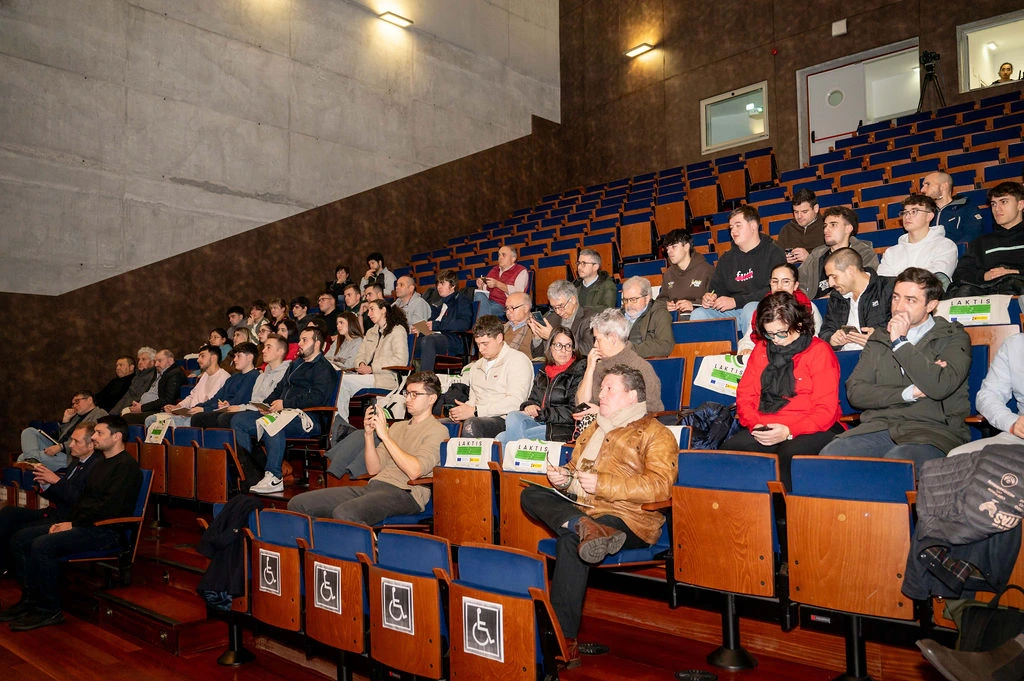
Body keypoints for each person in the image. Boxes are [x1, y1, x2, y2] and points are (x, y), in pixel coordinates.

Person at [519, 365, 677, 666]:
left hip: (628, 518)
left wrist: (603, 484)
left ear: (632, 396)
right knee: (530, 494)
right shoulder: (594, 427)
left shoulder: (657, 433)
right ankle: (584, 526)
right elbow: (577, 470)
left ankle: (562, 639)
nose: (600, 394)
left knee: (571, 541)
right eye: (601, 388)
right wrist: (564, 478)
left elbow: (661, 487)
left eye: (608, 389)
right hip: (585, 509)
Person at [820, 268, 972, 470]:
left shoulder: (953, 337)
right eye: (895, 297)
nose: (899, 307)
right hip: (880, 426)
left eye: (910, 300)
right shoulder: (879, 339)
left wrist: (900, 342)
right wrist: (909, 393)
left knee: (898, 463)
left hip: (933, 430)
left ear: (931, 305)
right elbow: (856, 393)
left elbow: (939, 387)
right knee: (831, 455)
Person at [1, 415, 142, 631]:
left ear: (117, 437)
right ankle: (30, 601)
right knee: (22, 539)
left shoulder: (126, 467)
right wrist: (71, 521)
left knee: (42, 544)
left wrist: (72, 524)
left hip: (107, 531)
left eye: (100, 433)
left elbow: (108, 508)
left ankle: (49, 610)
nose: (94, 437)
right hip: (87, 524)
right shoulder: (102, 464)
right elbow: (84, 501)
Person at [288, 372, 448, 522]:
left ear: (432, 398)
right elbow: (373, 469)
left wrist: (385, 436)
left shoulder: (438, 430)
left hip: (407, 493)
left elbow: (415, 471)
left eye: (415, 394)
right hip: (375, 486)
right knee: (299, 504)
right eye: (407, 393)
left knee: (345, 512)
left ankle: (370, 543)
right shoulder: (398, 427)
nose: (408, 399)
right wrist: (369, 435)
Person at [722, 292, 844, 489]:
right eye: (769, 334)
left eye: (781, 333)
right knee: (732, 449)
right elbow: (745, 396)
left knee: (789, 455)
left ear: (799, 325)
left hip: (812, 426)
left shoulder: (819, 351)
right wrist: (756, 425)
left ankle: (784, 508)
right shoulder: (762, 349)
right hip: (766, 423)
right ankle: (747, 507)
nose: (775, 340)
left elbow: (825, 411)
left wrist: (789, 431)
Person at [232, 327, 337, 494]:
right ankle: (251, 474)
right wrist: (266, 405)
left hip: (309, 418)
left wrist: (285, 403)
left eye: (304, 340)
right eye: (300, 339)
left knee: (273, 423)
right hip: (283, 413)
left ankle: (274, 476)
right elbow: (279, 389)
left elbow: (317, 397)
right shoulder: (295, 364)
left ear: (317, 343)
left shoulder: (324, 368)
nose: (299, 343)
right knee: (239, 421)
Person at [0, 423, 99, 577]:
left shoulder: (97, 467)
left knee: (19, 534)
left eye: (76, 441)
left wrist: (56, 481)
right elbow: (61, 495)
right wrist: (46, 485)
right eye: (71, 440)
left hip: (69, 518)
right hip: (56, 511)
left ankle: (27, 581)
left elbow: (81, 501)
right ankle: (4, 566)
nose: (70, 445)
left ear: (91, 444)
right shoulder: (76, 462)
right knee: (8, 512)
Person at [691, 205, 786, 334]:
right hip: (733, 312)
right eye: (731, 227)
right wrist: (710, 298)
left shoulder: (774, 252)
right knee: (699, 314)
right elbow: (716, 290)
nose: (733, 231)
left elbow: (776, 290)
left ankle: (750, 346)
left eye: (738, 225)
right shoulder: (726, 259)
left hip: (765, 309)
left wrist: (736, 301)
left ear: (753, 226)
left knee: (750, 309)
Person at [447, 315, 534, 438]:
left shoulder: (518, 360)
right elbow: (473, 401)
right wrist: (460, 412)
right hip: (477, 417)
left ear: (499, 338)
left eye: (485, 343)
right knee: (441, 427)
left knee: (471, 425)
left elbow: (516, 402)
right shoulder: (476, 367)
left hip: (505, 419)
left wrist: (476, 411)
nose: (481, 349)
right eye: (478, 344)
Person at [498, 330, 588, 447]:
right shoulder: (544, 371)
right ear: (550, 347)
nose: (563, 350)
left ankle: (520, 457)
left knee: (502, 438)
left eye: (568, 346)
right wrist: (529, 406)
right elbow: (533, 399)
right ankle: (521, 456)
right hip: (540, 421)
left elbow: (574, 411)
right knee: (513, 416)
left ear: (573, 348)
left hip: (562, 428)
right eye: (558, 345)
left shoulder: (578, 371)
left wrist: (543, 413)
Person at [333, 300, 409, 427]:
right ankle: (339, 425)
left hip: (386, 377)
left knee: (342, 381)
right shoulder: (371, 332)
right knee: (338, 380)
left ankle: (341, 426)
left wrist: (372, 368)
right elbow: (360, 355)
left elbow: (401, 360)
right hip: (367, 376)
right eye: (368, 310)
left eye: (372, 309)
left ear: (383, 310)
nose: (369, 314)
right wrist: (361, 364)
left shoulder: (397, 330)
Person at [947, 333, 1023, 456]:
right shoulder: (1014, 345)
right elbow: (988, 395)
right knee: (957, 456)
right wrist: (1012, 423)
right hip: (1019, 438)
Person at [575, 308, 663, 413]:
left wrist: (601, 412)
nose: (595, 345)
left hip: (626, 424)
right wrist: (589, 369)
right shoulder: (597, 365)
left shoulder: (641, 368)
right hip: (594, 422)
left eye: (598, 340)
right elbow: (581, 404)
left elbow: (653, 410)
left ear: (613, 338)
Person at [948, 181, 1024, 298]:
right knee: (963, 291)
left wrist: (1015, 272)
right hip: (988, 292)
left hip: (1018, 289)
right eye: (993, 204)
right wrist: (984, 276)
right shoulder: (981, 242)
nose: (997, 209)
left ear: (1020, 205)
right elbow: (961, 273)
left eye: (1003, 202)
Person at [819, 247, 895, 351]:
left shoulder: (889, 289)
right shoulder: (836, 297)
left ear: (851, 271)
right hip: (844, 356)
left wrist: (879, 339)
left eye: (834, 277)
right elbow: (825, 331)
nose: (831, 283)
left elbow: (905, 329)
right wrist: (832, 339)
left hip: (878, 356)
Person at [737, 263, 822, 354]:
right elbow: (749, 339)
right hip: (766, 354)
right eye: (775, 282)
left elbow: (814, 340)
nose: (779, 287)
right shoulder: (762, 308)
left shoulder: (808, 307)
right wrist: (746, 349)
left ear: (795, 285)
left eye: (786, 282)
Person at [876, 194, 958, 285]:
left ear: (929, 216)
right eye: (905, 212)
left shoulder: (945, 246)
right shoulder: (891, 252)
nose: (907, 216)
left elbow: (935, 280)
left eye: (914, 211)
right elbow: (883, 283)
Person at [799, 205, 879, 297]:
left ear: (848, 228)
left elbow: (865, 285)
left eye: (833, 225)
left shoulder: (864, 253)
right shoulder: (817, 254)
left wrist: (833, 298)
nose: (826, 230)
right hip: (814, 304)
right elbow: (799, 281)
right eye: (825, 226)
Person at [144, 344, 230, 429]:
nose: (198, 360)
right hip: (189, 413)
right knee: (150, 420)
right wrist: (178, 407)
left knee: (165, 423)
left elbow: (214, 403)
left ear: (213, 358)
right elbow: (192, 396)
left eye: (202, 356)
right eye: (199, 356)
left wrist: (199, 409)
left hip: (201, 417)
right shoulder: (205, 375)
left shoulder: (224, 377)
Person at [19, 391, 107, 471]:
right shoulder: (77, 417)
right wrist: (66, 420)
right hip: (58, 447)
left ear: (89, 400)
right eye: (73, 404)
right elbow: (62, 436)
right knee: (29, 431)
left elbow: (88, 440)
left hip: (71, 455)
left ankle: (32, 460)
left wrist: (62, 447)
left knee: (22, 458)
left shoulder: (100, 415)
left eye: (77, 402)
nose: (74, 406)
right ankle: (32, 460)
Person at [189, 342, 261, 429]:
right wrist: (200, 406)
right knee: (197, 417)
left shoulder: (254, 376)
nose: (234, 359)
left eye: (238, 356)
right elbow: (217, 398)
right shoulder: (233, 377)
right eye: (234, 356)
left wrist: (206, 409)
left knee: (220, 418)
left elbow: (240, 400)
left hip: (240, 411)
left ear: (250, 357)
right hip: (225, 409)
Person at [416, 269, 473, 372]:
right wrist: (420, 330)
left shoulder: (461, 300)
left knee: (428, 340)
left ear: (453, 285)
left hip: (453, 339)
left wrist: (437, 325)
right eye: (438, 283)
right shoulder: (439, 304)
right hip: (436, 337)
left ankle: (425, 378)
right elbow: (431, 323)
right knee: (409, 340)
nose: (439, 287)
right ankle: (403, 376)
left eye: (442, 283)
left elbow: (464, 324)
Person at [529, 280, 598, 356]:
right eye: (554, 307)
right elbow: (538, 356)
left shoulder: (590, 318)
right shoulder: (552, 318)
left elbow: (587, 350)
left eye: (561, 306)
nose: (558, 312)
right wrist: (537, 337)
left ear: (573, 300)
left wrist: (554, 337)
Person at [655, 228, 713, 318]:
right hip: (673, 318)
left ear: (686, 247)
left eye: (674, 247)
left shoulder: (707, 270)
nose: (669, 251)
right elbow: (661, 300)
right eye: (667, 248)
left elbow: (714, 298)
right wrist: (666, 305)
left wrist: (693, 305)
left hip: (697, 318)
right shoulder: (668, 274)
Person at [920, 171, 984, 244]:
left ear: (944, 186)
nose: (922, 190)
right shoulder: (924, 212)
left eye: (928, 184)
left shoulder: (967, 208)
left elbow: (972, 236)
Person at [620, 275, 674, 358]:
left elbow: (665, 346)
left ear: (647, 298)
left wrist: (629, 350)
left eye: (633, 300)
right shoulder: (617, 316)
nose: (629, 305)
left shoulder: (659, 314)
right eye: (625, 300)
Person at [474, 245, 529, 318]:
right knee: (478, 295)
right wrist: (480, 287)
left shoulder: (521, 271)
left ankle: (482, 322)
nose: (500, 257)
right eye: (499, 255)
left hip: (505, 306)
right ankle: (483, 321)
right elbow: (485, 294)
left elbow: (519, 294)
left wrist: (497, 284)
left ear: (513, 258)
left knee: (479, 310)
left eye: (503, 255)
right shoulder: (494, 270)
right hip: (488, 303)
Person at [777, 188, 825, 265]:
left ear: (816, 208)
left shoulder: (826, 227)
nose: (799, 216)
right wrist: (783, 260)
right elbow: (776, 260)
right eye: (796, 212)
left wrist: (809, 258)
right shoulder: (786, 230)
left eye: (804, 212)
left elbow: (833, 260)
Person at [110, 347, 158, 416]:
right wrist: (112, 413)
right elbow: (127, 396)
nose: (140, 362)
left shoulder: (153, 376)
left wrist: (119, 412)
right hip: (127, 407)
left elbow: (140, 397)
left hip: (138, 408)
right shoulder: (137, 375)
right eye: (139, 359)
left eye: (143, 359)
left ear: (153, 362)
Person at [502, 291, 535, 358]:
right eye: (507, 308)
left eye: (512, 308)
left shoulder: (536, 328)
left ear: (526, 308)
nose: (508, 312)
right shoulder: (503, 328)